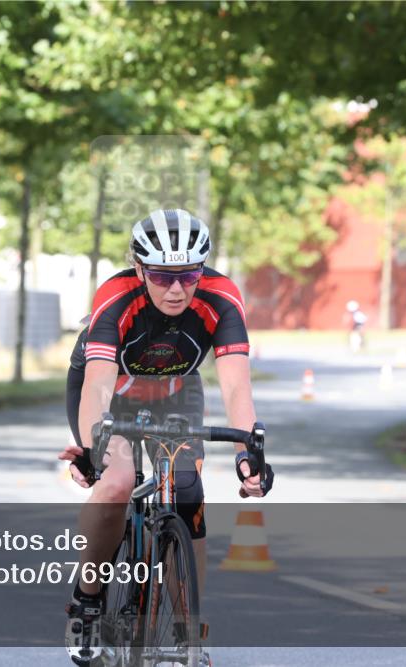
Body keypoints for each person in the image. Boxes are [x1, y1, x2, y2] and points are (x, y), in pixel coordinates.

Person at [56, 209, 274, 665]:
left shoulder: (221, 298)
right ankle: (88, 602)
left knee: (188, 492)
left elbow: (236, 385)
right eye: (161, 275)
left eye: (189, 274)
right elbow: (96, 384)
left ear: (203, 269)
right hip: (109, 397)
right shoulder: (116, 298)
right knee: (116, 483)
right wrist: (94, 449)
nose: (176, 289)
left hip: (175, 395)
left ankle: (188, 629)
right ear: (139, 269)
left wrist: (246, 451)